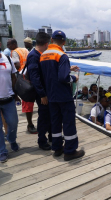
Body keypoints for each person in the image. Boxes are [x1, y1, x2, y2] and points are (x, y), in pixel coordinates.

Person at [40, 30, 85, 161]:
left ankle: (57, 147)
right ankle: (70, 151)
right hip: (63, 95)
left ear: (51, 40)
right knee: (68, 122)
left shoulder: (44, 55)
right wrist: (73, 77)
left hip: (51, 95)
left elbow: (50, 73)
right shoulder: (62, 55)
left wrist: (68, 69)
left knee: (55, 122)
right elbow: (63, 78)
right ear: (64, 42)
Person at [0, 34, 20, 163]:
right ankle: (2, 151)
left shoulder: (7, 59)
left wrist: (15, 93)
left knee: (13, 123)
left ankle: (12, 140)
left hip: (8, 98)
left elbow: (14, 76)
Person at [26, 32, 52, 150]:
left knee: (50, 114)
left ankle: (52, 136)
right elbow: (35, 77)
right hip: (41, 93)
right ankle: (42, 140)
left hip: (45, 91)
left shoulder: (39, 54)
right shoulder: (34, 56)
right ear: (46, 43)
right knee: (44, 116)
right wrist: (42, 95)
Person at [7, 38, 37, 134]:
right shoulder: (25, 50)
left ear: (13, 44)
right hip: (31, 75)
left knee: (26, 100)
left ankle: (30, 124)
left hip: (22, 77)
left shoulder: (14, 52)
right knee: (31, 100)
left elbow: (17, 64)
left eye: (8, 44)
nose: (8, 46)